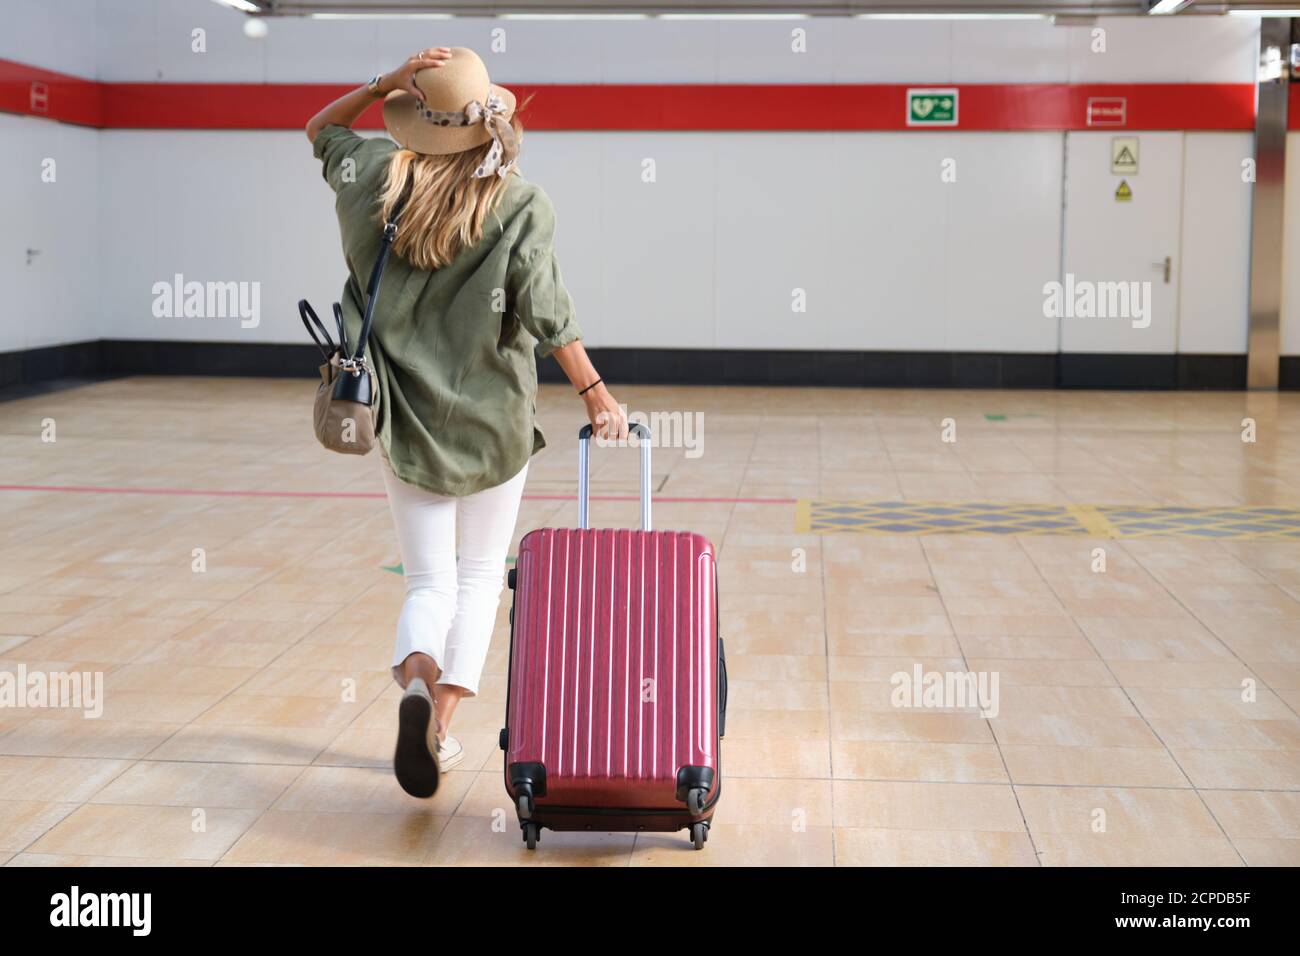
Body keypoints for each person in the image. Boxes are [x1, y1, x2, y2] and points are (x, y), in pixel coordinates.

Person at [306, 46, 628, 798]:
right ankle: (442, 725)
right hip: (493, 421)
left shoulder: (369, 179)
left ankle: (416, 680)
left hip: (399, 416)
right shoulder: (517, 203)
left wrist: (385, 80)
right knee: (481, 577)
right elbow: (549, 316)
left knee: (428, 579)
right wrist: (596, 394)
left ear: (414, 115)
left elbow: (320, 125)